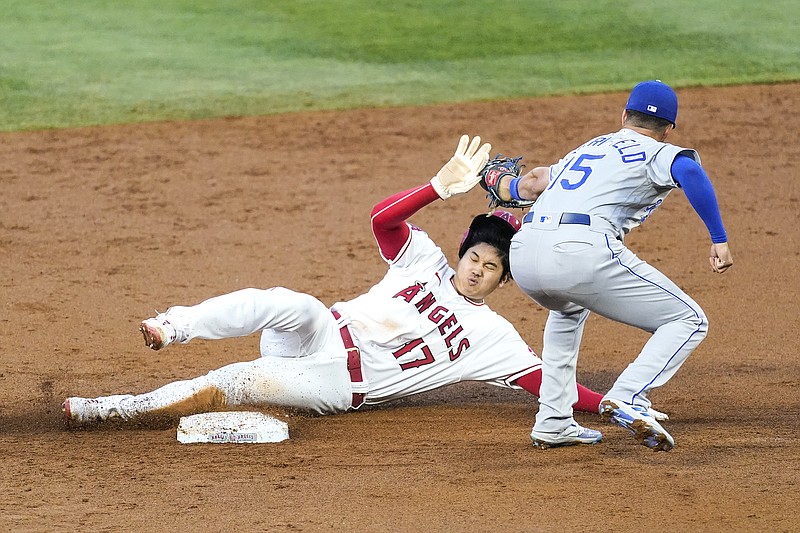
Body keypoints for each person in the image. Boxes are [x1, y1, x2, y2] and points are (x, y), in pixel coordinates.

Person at [63, 135, 627, 436]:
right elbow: (384, 221)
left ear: (505, 280)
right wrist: (435, 186)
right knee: (289, 303)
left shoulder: (494, 337)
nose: (479, 270)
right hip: (317, 335)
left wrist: (615, 407)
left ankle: (112, 410)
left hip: (337, 383)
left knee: (236, 378)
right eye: (476, 257)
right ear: (462, 253)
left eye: (492, 269)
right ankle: (173, 325)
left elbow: (553, 386)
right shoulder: (424, 262)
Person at [490, 80, 733, 451]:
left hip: (523, 250)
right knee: (688, 319)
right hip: (578, 251)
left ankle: (553, 420)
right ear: (668, 130)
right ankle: (630, 395)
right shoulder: (657, 151)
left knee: (567, 311)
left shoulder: (589, 147)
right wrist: (719, 238)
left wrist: (505, 183)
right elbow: (691, 173)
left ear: (623, 116)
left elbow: (535, 182)